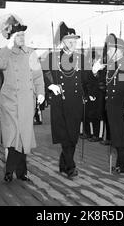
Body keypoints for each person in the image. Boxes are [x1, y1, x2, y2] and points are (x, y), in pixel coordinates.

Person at [0, 14, 45, 182]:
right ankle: (11, 171)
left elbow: (37, 75)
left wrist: (41, 93)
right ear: (12, 37)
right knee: (13, 134)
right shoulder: (5, 52)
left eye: (23, 35)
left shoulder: (30, 53)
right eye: (18, 35)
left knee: (23, 135)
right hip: (9, 100)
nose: (22, 38)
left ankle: (20, 172)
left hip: (26, 100)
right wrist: (8, 47)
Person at [42, 21, 88, 179]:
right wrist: (50, 85)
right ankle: (70, 166)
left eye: (75, 40)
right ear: (62, 42)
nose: (73, 43)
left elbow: (86, 80)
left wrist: (93, 73)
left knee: (73, 136)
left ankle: (64, 163)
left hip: (75, 102)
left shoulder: (81, 58)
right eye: (69, 40)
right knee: (64, 135)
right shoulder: (52, 57)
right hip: (60, 101)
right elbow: (43, 73)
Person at [92, 34, 124, 173]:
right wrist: (95, 72)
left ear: (118, 51)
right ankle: (121, 163)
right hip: (113, 108)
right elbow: (104, 83)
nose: (107, 52)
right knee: (118, 137)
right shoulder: (112, 67)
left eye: (110, 50)